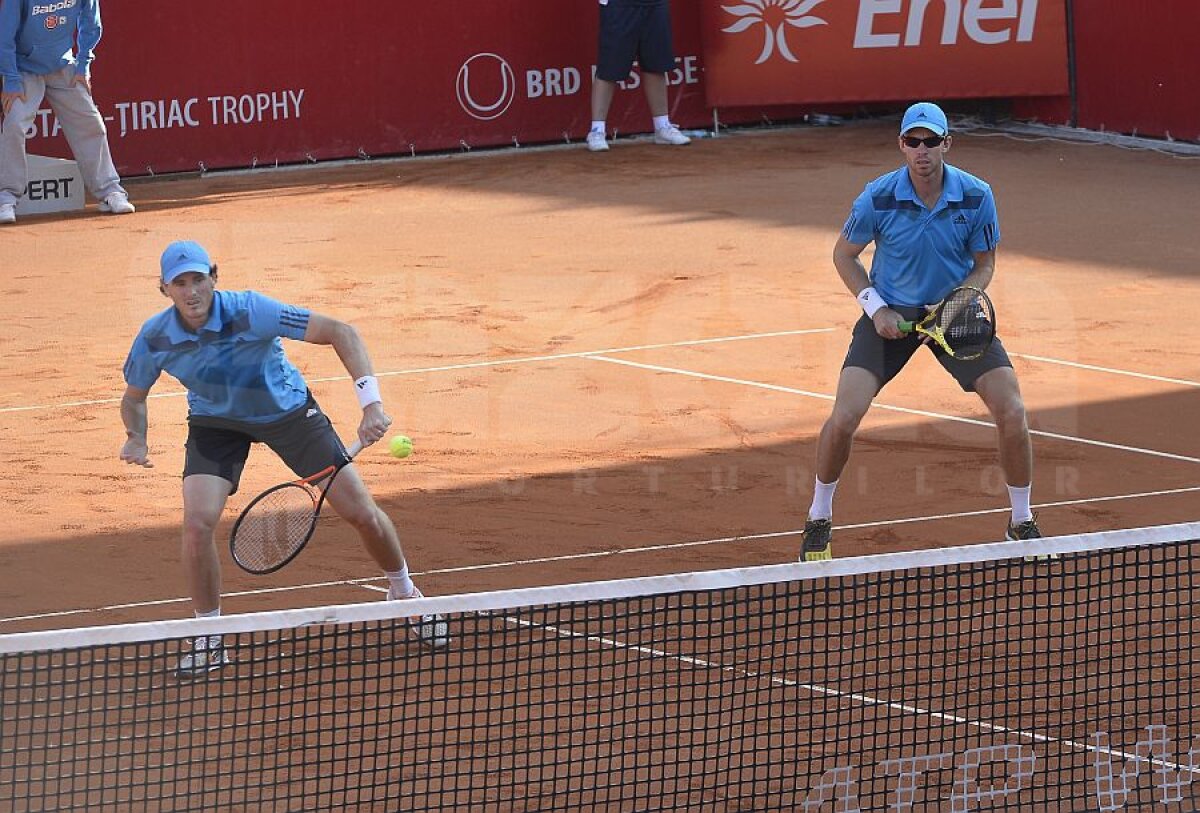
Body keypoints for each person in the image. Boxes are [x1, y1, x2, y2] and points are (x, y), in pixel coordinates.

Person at [120, 241, 448, 678]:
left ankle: (405, 595)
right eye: (180, 283)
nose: (192, 291)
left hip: (288, 414)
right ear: (165, 290)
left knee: (362, 514)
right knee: (197, 525)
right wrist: (135, 437)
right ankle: (210, 637)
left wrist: (371, 404)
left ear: (214, 277)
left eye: (199, 278)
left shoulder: (251, 310)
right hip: (215, 422)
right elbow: (134, 397)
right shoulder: (155, 337)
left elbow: (341, 332)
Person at [800, 102, 1043, 562]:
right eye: (913, 141)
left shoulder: (976, 195)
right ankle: (818, 516)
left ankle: (1021, 521)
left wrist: (959, 304)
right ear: (902, 146)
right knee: (845, 416)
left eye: (931, 141)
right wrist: (876, 309)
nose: (922, 150)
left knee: (1012, 411)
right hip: (890, 314)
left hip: (951, 316)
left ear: (946, 144)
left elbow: (984, 264)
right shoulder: (878, 195)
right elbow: (844, 255)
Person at [0, 0, 133, 225]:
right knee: (13, 125)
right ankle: (6, 198)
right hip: (24, 71)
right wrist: (11, 80)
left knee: (91, 123)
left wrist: (83, 64)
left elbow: (91, 24)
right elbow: (4, 37)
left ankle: (110, 191)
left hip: (63, 66)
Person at [587, 0, 690, 152]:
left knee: (656, 64)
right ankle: (596, 131)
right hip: (618, 5)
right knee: (610, 66)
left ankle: (662, 126)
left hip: (655, 4)